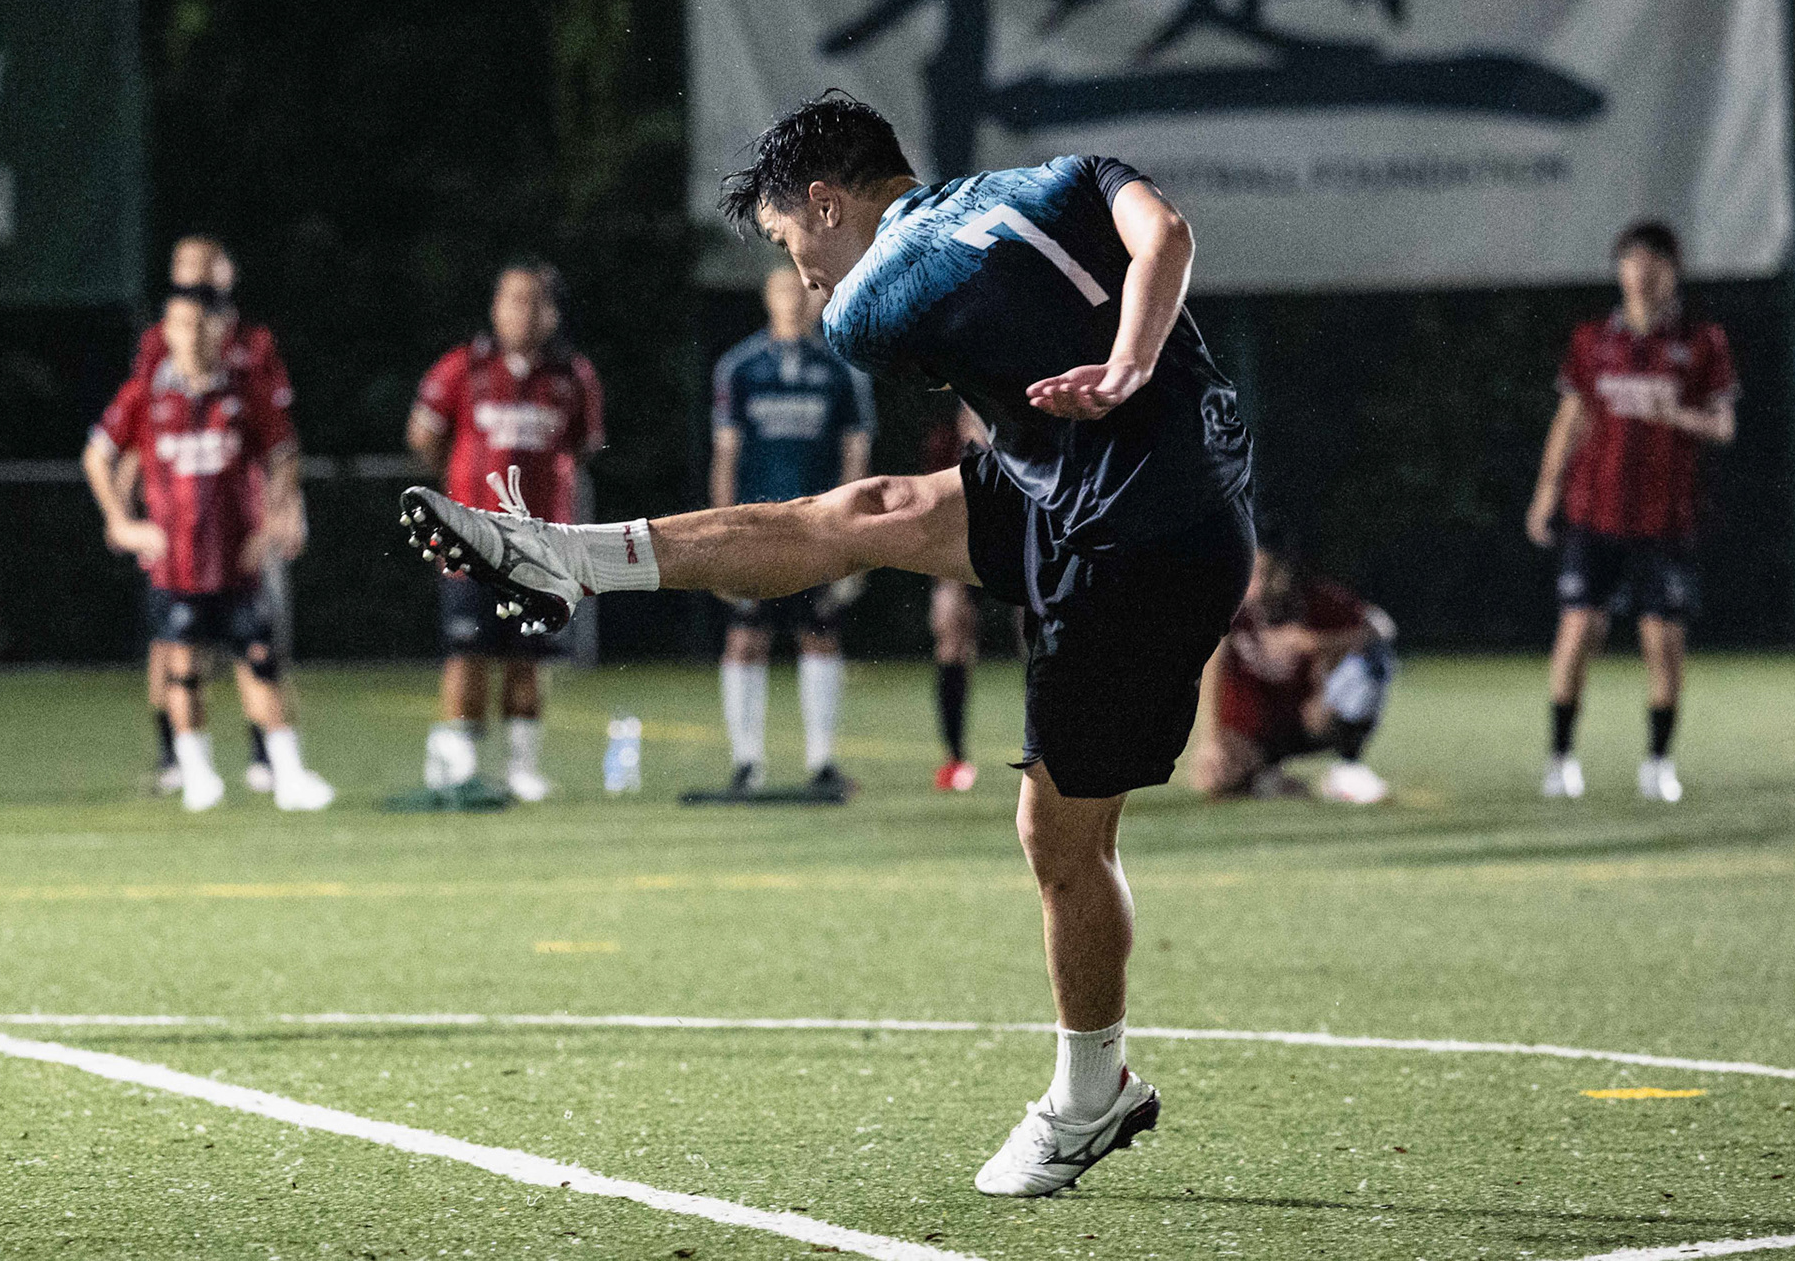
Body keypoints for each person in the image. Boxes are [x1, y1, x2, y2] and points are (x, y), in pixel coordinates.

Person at [398, 93, 1253, 1196]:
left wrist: (1106, 378)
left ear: (827, 201)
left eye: (790, 241)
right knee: (865, 513)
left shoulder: (870, 307)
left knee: (1061, 836)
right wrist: (1133, 358)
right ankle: (571, 556)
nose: (804, 276)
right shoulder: (1062, 174)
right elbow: (1166, 238)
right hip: (1114, 481)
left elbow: (931, 298)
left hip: (1140, 540)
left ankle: (1091, 1098)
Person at [83, 287, 332, 812]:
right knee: (182, 667)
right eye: (180, 325)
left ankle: (287, 774)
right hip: (176, 564)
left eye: (201, 324)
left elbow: (285, 455)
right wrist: (122, 524)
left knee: (261, 662)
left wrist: (272, 522)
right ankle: (197, 773)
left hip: (236, 559)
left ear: (220, 330)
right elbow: (97, 456)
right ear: (165, 333)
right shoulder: (146, 394)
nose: (192, 335)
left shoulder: (245, 389)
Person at [1525, 221, 1737, 803]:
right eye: (1630, 261)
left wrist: (1678, 417)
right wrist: (1546, 491)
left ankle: (1658, 762)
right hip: (1597, 512)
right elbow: (1570, 421)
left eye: (1652, 262)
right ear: (1620, 271)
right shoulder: (1593, 340)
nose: (1640, 273)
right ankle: (1561, 758)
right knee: (1576, 633)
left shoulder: (1701, 341)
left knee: (1662, 644)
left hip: (1667, 520)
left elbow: (1723, 426)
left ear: (1672, 271)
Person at [405, 259, 604, 802]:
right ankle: (460, 767)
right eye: (514, 299)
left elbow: (584, 446)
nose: (524, 310)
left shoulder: (572, 375)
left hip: (542, 541)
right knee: (466, 652)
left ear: (552, 312)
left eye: (536, 300)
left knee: (529, 655)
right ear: (495, 307)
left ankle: (522, 767)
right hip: (470, 537)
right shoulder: (463, 367)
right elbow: (424, 436)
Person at [127, 236, 298, 796]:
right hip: (178, 512)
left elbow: (278, 440)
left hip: (241, 508)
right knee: (173, 640)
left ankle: (265, 755)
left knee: (259, 635)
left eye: (207, 266)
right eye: (185, 265)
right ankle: (174, 755)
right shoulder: (160, 341)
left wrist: (286, 510)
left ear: (229, 271)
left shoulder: (254, 343)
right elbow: (138, 430)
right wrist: (127, 513)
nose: (196, 275)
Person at [709, 265, 876, 799]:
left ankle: (822, 761)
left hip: (817, 529)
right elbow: (726, 453)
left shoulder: (840, 370)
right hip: (756, 526)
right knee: (745, 637)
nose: (793, 301)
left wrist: (851, 530)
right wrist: (719, 531)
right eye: (782, 290)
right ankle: (746, 764)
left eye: (802, 291)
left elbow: (856, 452)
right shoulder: (740, 368)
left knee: (820, 634)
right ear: (765, 298)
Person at [1190, 547, 1395, 803]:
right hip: (1256, 724)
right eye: (1251, 575)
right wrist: (1210, 741)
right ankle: (1270, 777)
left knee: (1373, 659)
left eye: (1266, 574)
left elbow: (1381, 629)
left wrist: (1311, 643)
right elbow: (1210, 665)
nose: (1258, 585)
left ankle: (1347, 762)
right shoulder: (1230, 606)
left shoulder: (1313, 598)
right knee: (1213, 779)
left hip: (1309, 715)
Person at [923, 397, 992, 791]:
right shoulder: (945, 439)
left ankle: (1047, 752)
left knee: (1040, 636)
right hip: (962, 542)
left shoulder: (1027, 424)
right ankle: (955, 758)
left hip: (1024, 540)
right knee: (951, 631)